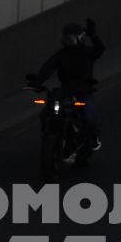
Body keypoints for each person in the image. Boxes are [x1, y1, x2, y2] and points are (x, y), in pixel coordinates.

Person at [28, 19, 105, 148]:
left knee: (87, 115)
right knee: (48, 111)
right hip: (65, 90)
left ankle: (93, 137)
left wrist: (94, 36)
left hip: (83, 91)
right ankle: (51, 133)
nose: (68, 40)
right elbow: (48, 67)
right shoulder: (61, 55)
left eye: (71, 37)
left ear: (79, 38)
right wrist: (37, 81)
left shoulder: (87, 52)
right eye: (66, 37)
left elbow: (100, 50)